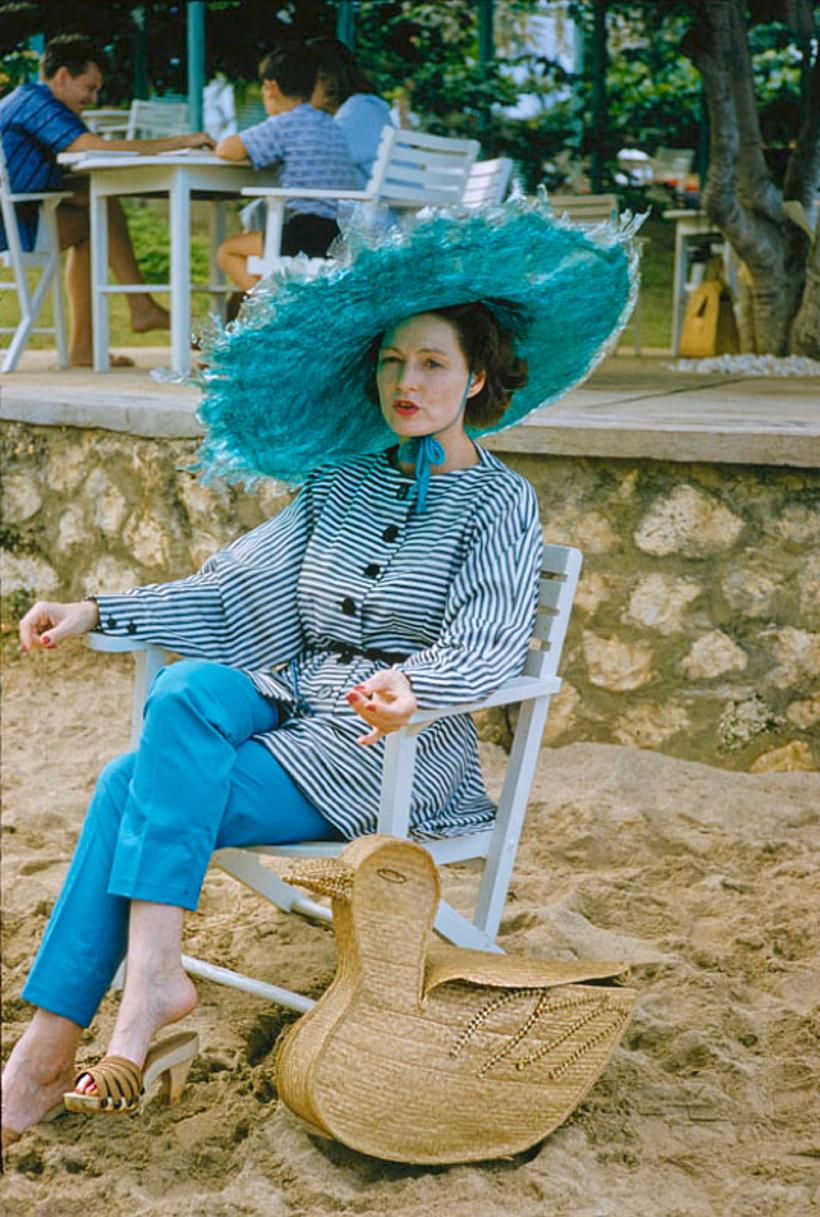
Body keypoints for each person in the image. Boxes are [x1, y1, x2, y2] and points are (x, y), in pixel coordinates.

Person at [1, 196, 640, 1149]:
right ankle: (148, 990)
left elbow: (494, 637)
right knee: (182, 690)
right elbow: (229, 596)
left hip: (392, 748)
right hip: (288, 703)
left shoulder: (502, 504)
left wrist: (418, 686)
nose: (405, 380)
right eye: (392, 360)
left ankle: (50, 1052)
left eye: (432, 363)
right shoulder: (339, 482)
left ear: (477, 380)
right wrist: (98, 612)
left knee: (129, 785)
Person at [0, 34, 214, 367]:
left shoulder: (30, 99)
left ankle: (101, 336)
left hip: (17, 213)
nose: (93, 97)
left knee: (97, 205)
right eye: (89, 87)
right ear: (62, 77)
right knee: (99, 209)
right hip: (10, 224)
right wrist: (181, 141)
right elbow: (91, 147)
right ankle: (141, 308)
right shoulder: (36, 102)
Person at [214, 42, 357, 293]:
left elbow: (228, 150)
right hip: (341, 233)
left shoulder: (285, 123)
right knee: (258, 241)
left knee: (227, 251)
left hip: (306, 232)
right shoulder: (331, 125)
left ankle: (271, 312)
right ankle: (275, 306)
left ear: (270, 87)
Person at [308, 37, 393, 190]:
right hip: (379, 208)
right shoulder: (366, 107)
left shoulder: (359, 111)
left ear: (328, 80)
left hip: (375, 212)